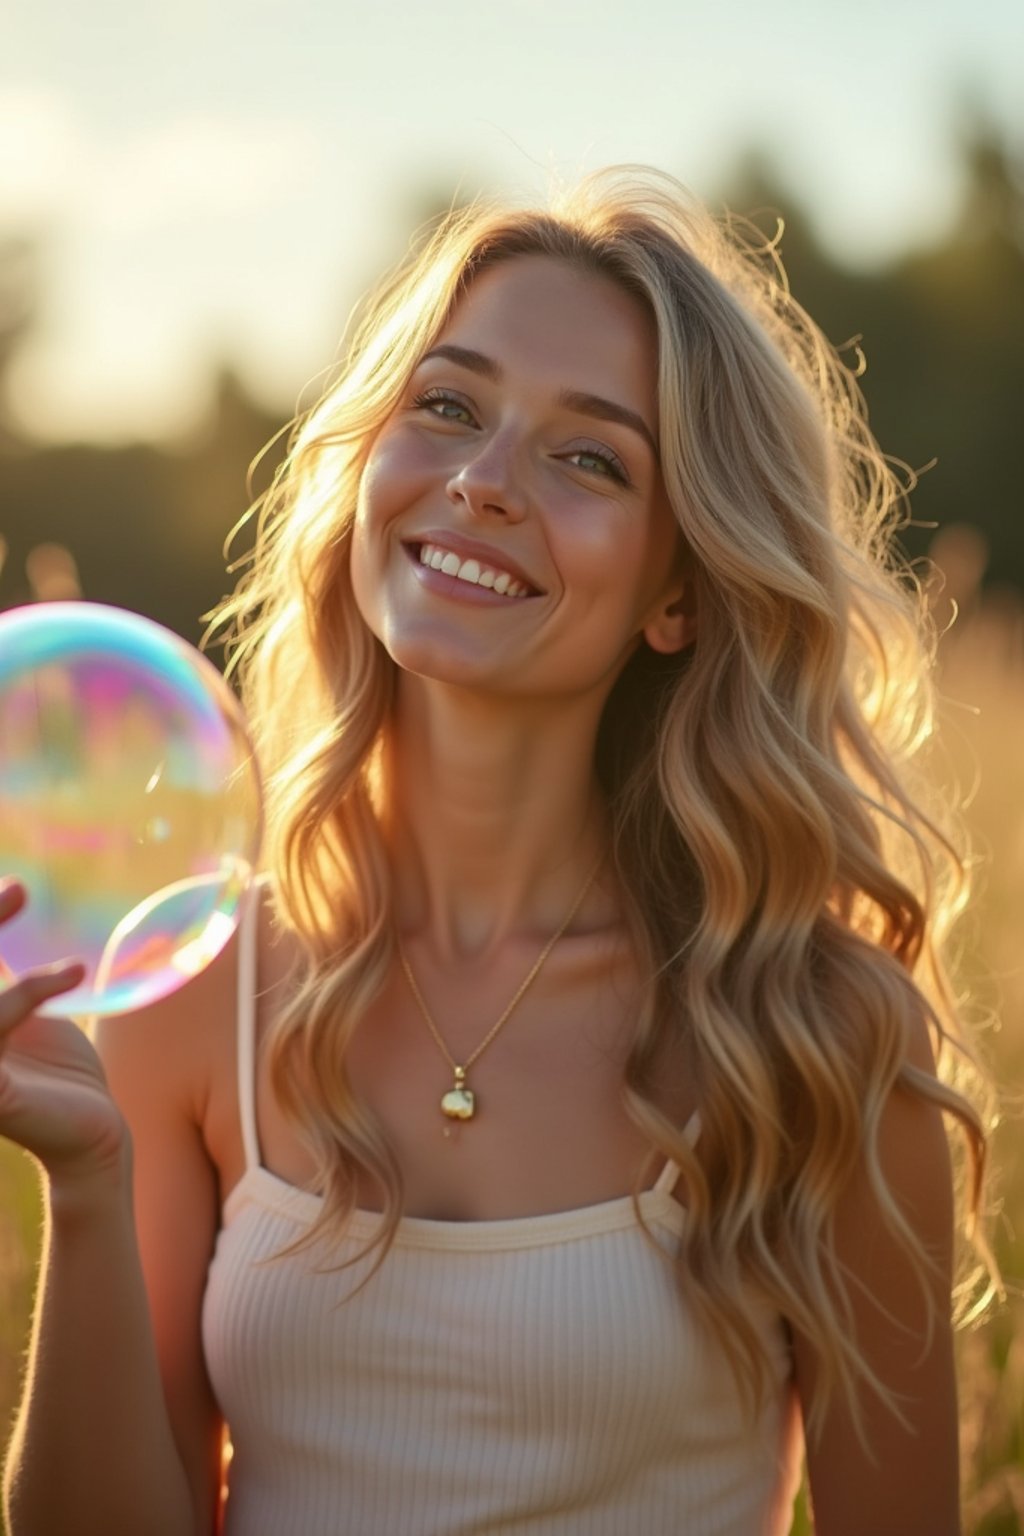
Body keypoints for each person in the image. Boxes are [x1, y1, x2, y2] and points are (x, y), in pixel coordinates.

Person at [0, 166, 994, 1536]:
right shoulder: (193, 983)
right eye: (449, 407)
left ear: (681, 594)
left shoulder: (817, 1037)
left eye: (588, 457)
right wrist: (89, 1183)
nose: (479, 482)